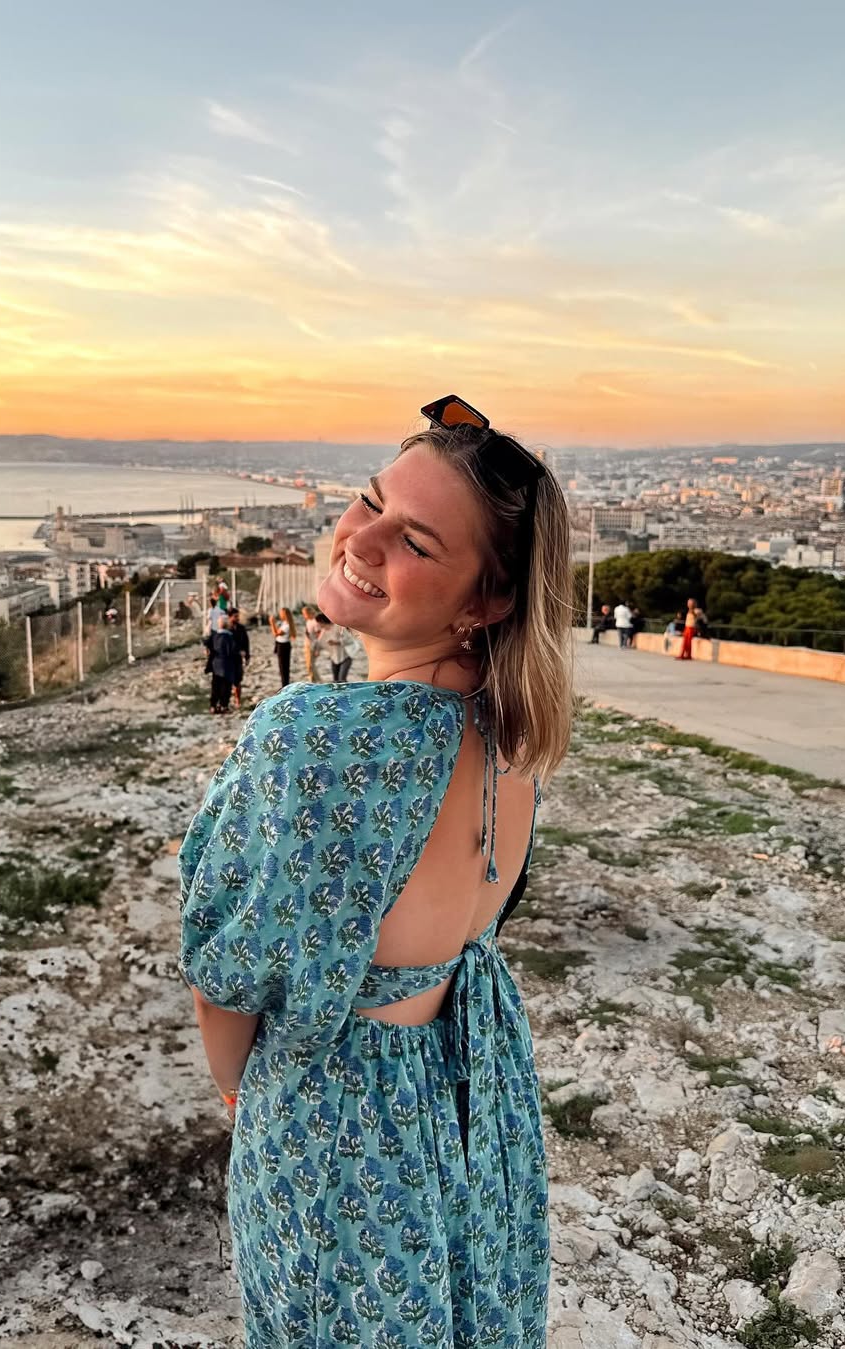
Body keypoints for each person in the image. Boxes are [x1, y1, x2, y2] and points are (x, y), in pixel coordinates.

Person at [180, 392, 572, 1347]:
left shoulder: (312, 737)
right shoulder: (515, 736)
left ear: (485, 601)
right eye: (370, 499)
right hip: (476, 1087)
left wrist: (239, 1091)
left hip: (341, 1119)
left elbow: (228, 981)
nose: (360, 538)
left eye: (416, 541)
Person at [205, 614, 237, 714]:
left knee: (215, 686)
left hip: (216, 665)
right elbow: (233, 651)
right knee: (226, 687)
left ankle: (213, 706)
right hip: (227, 665)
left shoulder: (214, 636)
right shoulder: (230, 637)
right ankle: (224, 705)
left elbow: (207, 646)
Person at [316, 611, 356, 682]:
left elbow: (349, 640)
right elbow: (319, 642)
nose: (318, 625)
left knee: (342, 680)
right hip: (334, 658)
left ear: (322, 621)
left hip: (345, 657)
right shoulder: (323, 631)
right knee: (335, 681)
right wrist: (317, 651)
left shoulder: (338, 627)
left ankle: (348, 689)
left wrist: (337, 642)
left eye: (318, 622)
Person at [227, 607, 250, 710]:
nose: (237, 618)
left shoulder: (241, 628)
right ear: (230, 617)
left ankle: (237, 700)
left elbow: (246, 642)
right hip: (228, 658)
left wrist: (247, 655)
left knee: (238, 680)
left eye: (238, 616)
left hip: (238, 659)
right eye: (235, 616)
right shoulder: (226, 629)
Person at [268, 606, 295, 687]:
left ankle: (285, 685)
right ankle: (285, 684)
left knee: (283, 667)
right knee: (283, 667)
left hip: (283, 646)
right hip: (281, 644)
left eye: (281, 613)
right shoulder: (284, 623)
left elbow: (275, 634)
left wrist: (272, 623)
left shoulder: (287, 626)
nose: (280, 615)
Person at [300, 605, 322, 682]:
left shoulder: (315, 622)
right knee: (308, 664)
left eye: (304, 614)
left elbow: (319, 636)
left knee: (311, 665)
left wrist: (318, 649)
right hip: (307, 644)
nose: (303, 616)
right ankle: (313, 680)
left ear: (309, 613)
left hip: (313, 645)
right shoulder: (308, 621)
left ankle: (317, 681)